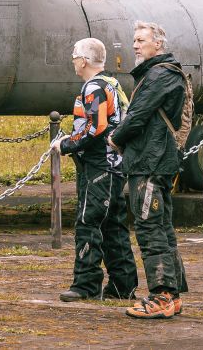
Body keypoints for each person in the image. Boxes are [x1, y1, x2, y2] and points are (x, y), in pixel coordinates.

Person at [107, 21, 188, 320]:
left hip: (150, 162)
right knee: (161, 228)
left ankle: (162, 296)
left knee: (150, 227)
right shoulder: (161, 74)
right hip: (153, 160)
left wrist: (116, 138)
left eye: (141, 40)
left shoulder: (159, 75)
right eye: (134, 40)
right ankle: (172, 295)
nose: (135, 45)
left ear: (158, 44)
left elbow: (138, 115)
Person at [54, 37, 138, 303]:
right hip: (114, 164)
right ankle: (123, 284)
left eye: (74, 56)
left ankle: (86, 283)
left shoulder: (93, 87)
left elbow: (95, 127)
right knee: (113, 223)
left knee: (88, 221)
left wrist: (66, 144)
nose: (73, 61)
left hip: (98, 164)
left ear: (85, 60)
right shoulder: (112, 84)